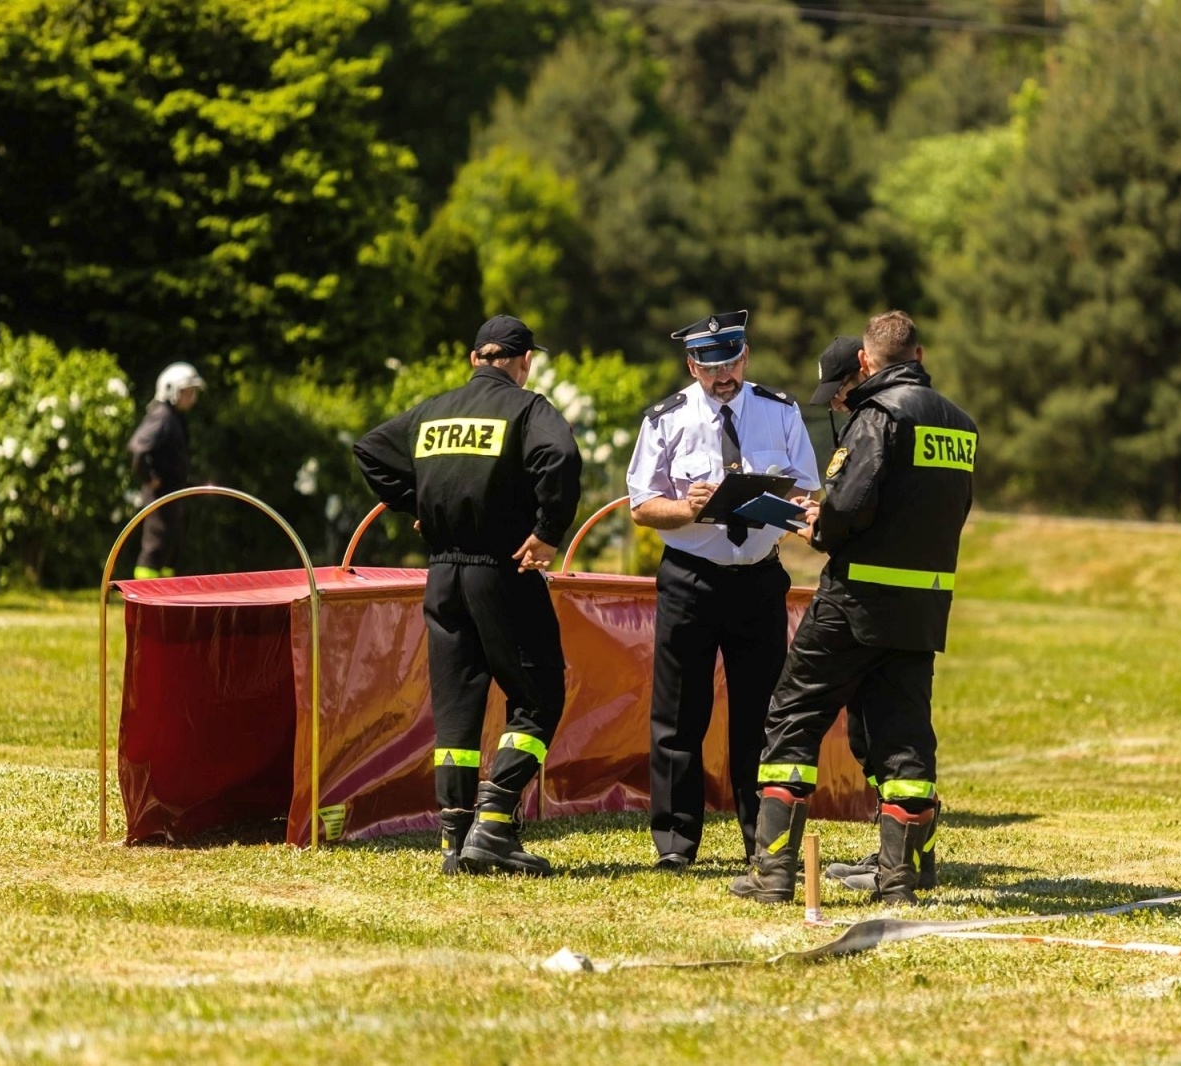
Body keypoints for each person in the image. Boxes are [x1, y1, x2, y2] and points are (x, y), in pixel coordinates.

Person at [730, 311, 978, 906]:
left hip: (855, 600)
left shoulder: (878, 417)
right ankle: (898, 880)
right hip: (921, 606)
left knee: (792, 717)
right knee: (905, 742)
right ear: (917, 354)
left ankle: (773, 873)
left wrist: (819, 523)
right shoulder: (959, 425)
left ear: (865, 363)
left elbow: (849, 506)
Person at [353, 314, 582, 877]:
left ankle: (454, 840)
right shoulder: (528, 409)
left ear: (474, 357)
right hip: (502, 571)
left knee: (457, 711)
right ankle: (495, 821)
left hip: (443, 575)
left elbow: (369, 451)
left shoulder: (433, 412)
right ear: (522, 361)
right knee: (538, 696)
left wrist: (424, 505)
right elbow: (562, 458)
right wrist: (548, 532)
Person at [626, 309, 820, 871]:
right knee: (678, 716)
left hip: (758, 578)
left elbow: (807, 494)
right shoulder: (665, 419)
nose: (723, 376)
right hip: (690, 577)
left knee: (760, 716)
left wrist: (769, 502)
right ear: (693, 365)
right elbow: (642, 505)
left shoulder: (779, 412)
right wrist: (689, 507)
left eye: (731, 362)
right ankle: (676, 845)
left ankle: (761, 840)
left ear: (745, 355)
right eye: (711, 367)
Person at [127, 362, 205, 579]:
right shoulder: (162, 416)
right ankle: (145, 598)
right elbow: (138, 447)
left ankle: (165, 597)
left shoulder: (174, 417)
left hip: (172, 495)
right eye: (188, 391)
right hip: (160, 496)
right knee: (156, 547)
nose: (193, 397)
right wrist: (149, 478)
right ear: (172, 390)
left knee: (171, 547)